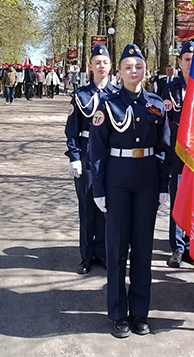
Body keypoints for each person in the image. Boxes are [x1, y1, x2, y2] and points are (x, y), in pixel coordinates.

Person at [89, 44, 170, 338]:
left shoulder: (156, 105)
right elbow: (96, 150)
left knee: (143, 250)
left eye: (138, 67)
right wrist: (98, 187)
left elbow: (163, 149)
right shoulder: (108, 104)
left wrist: (163, 185)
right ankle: (117, 312)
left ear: (145, 71)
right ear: (119, 72)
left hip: (147, 180)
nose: (133, 72)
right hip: (118, 180)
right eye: (127, 67)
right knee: (117, 248)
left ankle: (139, 312)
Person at [65, 45, 118, 275]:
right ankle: (86, 254)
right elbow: (72, 130)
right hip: (87, 152)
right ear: (90, 66)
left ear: (110, 66)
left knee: (107, 205)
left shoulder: (117, 94)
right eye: (97, 62)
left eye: (105, 62)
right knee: (87, 205)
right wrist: (74, 157)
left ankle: (103, 251)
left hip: (110, 155)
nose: (101, 66)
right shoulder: (80, 95)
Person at [162, 41, 194, 268]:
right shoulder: (171, 89)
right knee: (178, 201)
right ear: (180, 62)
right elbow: (165, 122)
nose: (191, 64)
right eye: (187, 59)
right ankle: (177, 247)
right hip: (177, 152)